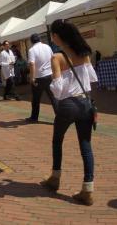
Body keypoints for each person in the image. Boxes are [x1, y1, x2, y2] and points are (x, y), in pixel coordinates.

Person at [40, 20, 97, 206]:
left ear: (56, 36)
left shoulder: (57, 57)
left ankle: (55, 178)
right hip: (86, 103)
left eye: (52, 36)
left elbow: (57, 90)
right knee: (86, 145)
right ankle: (87, 189)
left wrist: (55, 81)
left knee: (57, 140)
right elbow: (91, 79)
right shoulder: (84, 53)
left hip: (68, 105)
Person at [27, 33, 57, 122]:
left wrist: (32, 77)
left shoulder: (32, 50)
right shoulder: (47, 47)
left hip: (38, 77)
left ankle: (34, 117)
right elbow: (53, 58)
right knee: (53, 98)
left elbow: (32, 64)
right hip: (49, 75)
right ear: (40, 39)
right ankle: (60, 117)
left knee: (36, 99)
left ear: (31, 41)